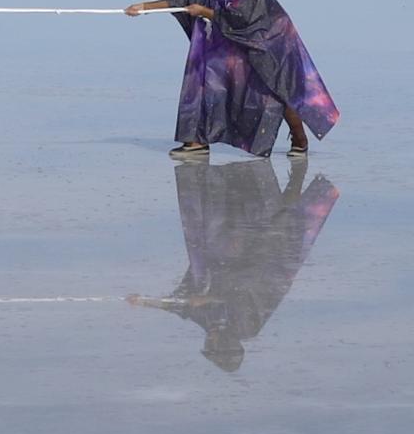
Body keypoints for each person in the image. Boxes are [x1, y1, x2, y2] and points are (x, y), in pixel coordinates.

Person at [127, 0, 337, 158]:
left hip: (268, 42)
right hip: (237, 44)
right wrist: (144, 7)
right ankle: (197, 141)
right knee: (204, 79)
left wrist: (204, 12)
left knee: (277, 89)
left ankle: (299, 139)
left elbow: (243, 17)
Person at [128, 157, 340, 372]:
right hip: (257, 255)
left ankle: (220, 179)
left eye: (208, 345)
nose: (208, 341)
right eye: (212, 345)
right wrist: (207, 298)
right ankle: (248, 173)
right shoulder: (247, 326)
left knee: (217, 219)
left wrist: (144, 302)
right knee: (259, 212)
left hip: (225, 254)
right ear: (224, 344)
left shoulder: (210, 323)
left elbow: (182, 306)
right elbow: (242, 294)